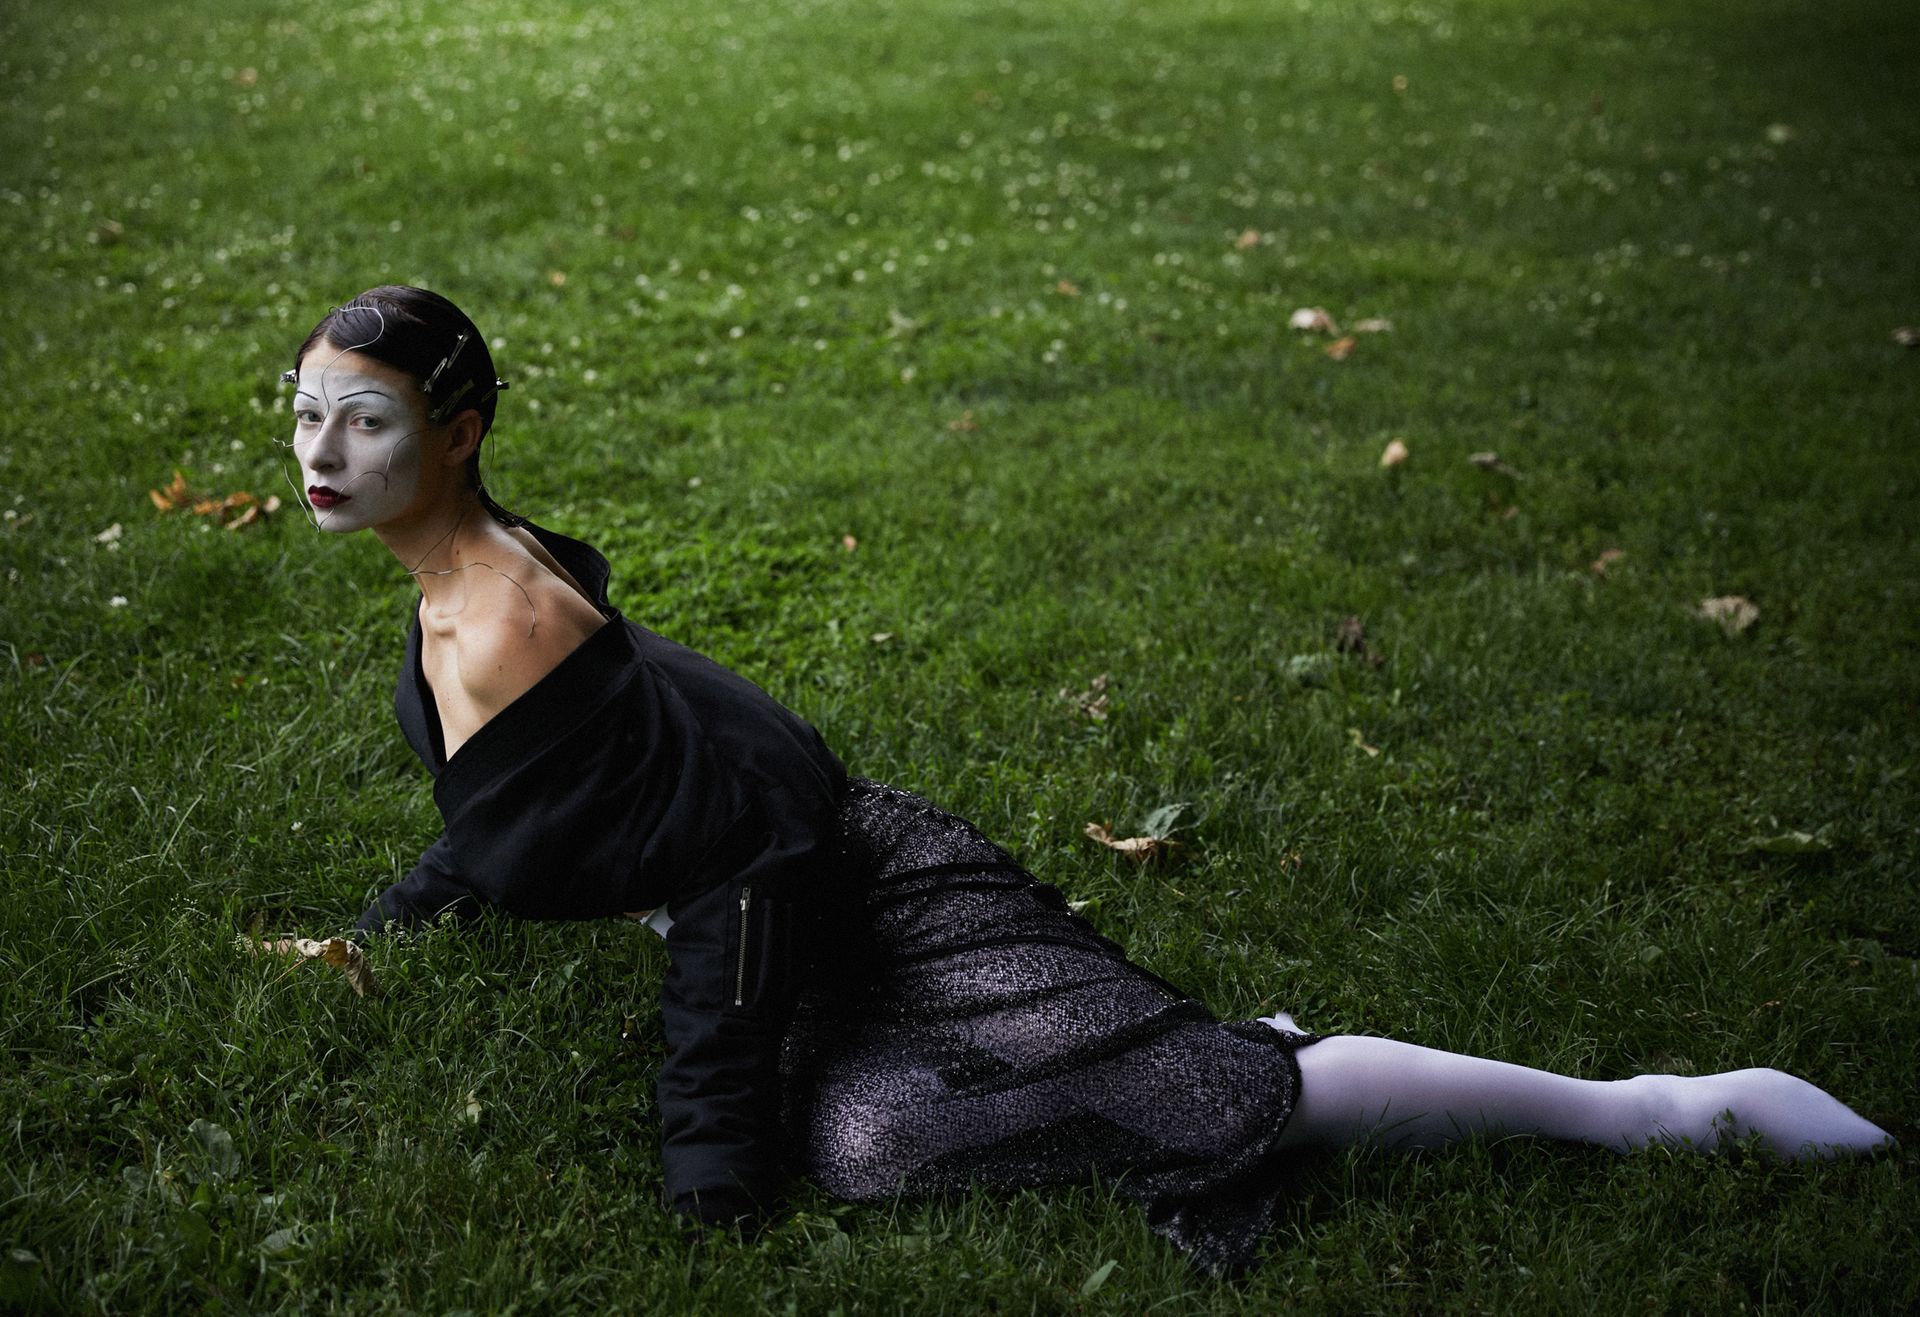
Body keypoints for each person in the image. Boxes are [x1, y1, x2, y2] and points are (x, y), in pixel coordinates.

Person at [274, 285, 1892, 1274]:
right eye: (304, 414)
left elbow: (737, 861)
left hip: (852, 881)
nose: (319, 453)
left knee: (1144, 1101)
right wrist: (390, 925)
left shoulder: (515, 613)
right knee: (879, 1131)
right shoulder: (466, 584)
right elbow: (525, 809)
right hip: (788, 891)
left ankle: (1654, 1111)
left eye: (364, 419)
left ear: (464, 430)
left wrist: (711, 1165)